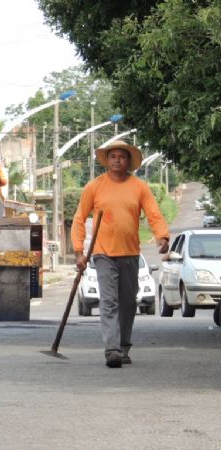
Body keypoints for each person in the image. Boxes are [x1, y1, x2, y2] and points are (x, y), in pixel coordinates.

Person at [71, 140, 170, 368]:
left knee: (128, 302)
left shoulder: (139, 187)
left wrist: (162, 236)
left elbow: (153, 213)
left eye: (122, 156)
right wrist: (78, 251)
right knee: (109, 301)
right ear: (107, 160)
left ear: (128, 161)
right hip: (103, 253)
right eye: (113, 156)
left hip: (130, 253)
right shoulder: (94, 187)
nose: (117, 160)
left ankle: (124, 346)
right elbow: (79, 218)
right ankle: (112, 350)